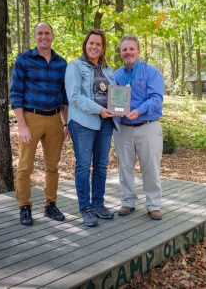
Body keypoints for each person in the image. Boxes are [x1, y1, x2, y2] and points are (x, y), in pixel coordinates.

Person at [10, 22, 69, 226]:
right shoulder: (24, 59)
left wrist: (66, 123)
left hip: (54, 119)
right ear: (35, 36)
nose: (44, 36)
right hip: (31, 118)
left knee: (52, 166)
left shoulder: (62, 63)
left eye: (47, 33)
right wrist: (22, 125)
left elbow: (64, 97)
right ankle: (24, 206)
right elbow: (15, 94)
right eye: (40, 33)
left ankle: (50, 205)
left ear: (53, 36)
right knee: (25, 166)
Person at [65, 29, 119, 227]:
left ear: (103, 47)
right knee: (83, 165)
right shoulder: (75, 66)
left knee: (101, 165)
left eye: (98, 44)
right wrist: (99, 110)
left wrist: (117, 108)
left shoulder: (108, 69)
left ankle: (98, 204)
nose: (94, 47)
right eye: (91, 43)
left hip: (106, 123)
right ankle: (85, 208)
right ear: (85, 44)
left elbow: (115, 94)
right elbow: (75, 97)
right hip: (82, 123)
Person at [113, 35, 164, 220]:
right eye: (124, 49)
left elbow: (156, 99)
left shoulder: (151, 72)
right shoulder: (116, 75)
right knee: (124, 166)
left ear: (138, 51)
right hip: (123, 128)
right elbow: (114, 100)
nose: (128, 52)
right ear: (120, 53)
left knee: (150, 167)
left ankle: (154, 204)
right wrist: (115, 111)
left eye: (131, 49)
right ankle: (127, 202)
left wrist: (139, 111)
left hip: (147, 126)